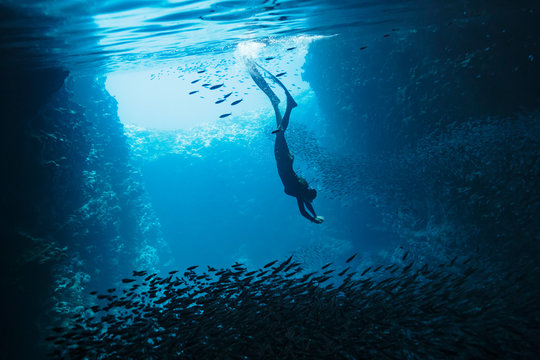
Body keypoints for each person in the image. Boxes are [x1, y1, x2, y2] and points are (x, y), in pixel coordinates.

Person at [246, 59, 324, 224]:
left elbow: (307, 205)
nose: (308, 201)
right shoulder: (299, 192)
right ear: (306, 196)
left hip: (286, 159)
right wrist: (313, 218)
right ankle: (289, 106)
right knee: (280, 131)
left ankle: (276, 104)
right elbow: (303, 210)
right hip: (282, 159)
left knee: (280, 130)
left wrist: (315, 215)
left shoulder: (301, 192)